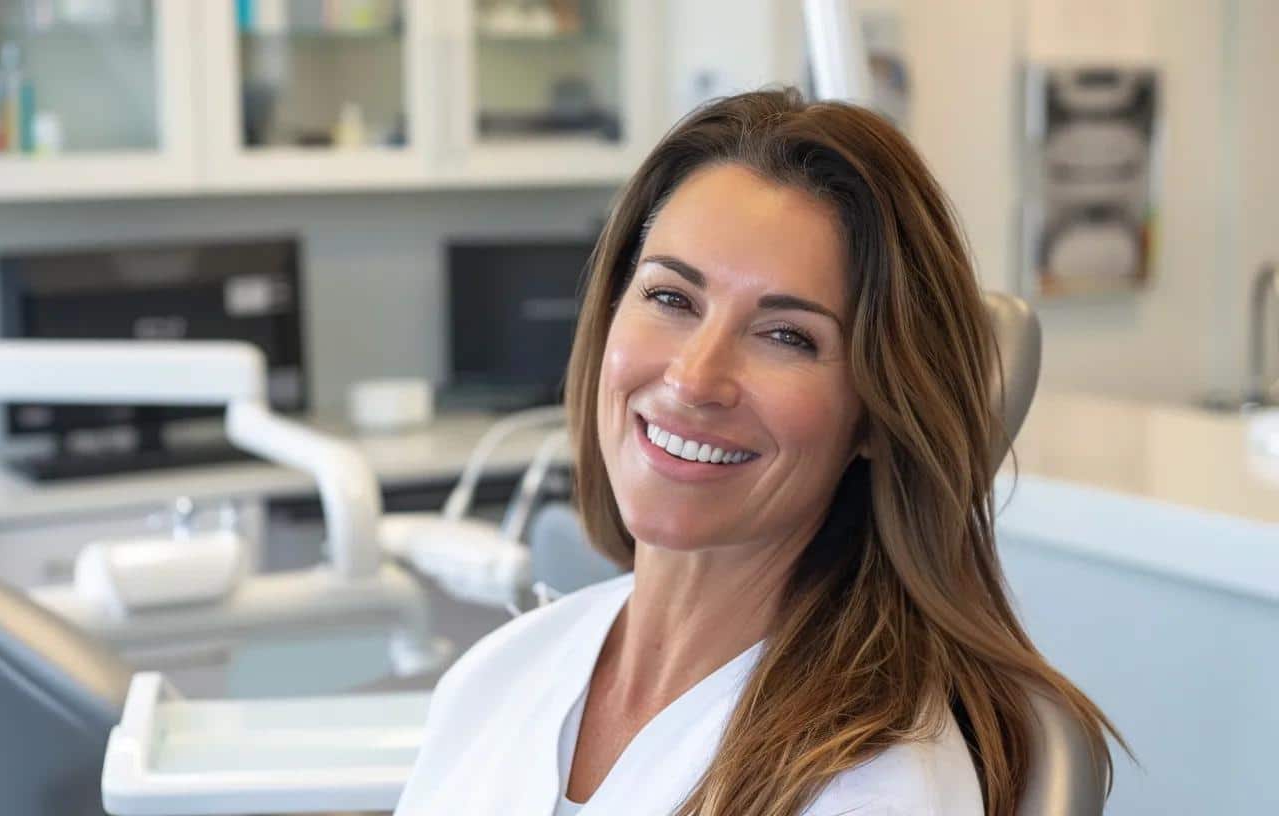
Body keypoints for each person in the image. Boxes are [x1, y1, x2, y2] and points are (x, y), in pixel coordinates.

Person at [394, 87, 1121, 816]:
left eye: (787, 336)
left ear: (874, 417)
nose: (694, 379)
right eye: (672, 298)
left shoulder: (870, 788)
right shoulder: (501, 674)